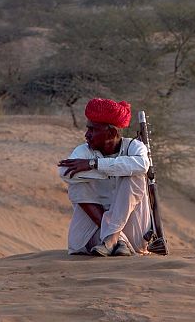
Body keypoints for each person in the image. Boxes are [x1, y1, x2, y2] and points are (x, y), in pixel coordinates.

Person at [57, 98, 152, 257]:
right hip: (92, 238)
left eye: (92, 130)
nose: (87, 135)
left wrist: (95, 165)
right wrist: (117, 169)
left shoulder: (134, 147)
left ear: (112, 133)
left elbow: (143, 165)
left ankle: (113, 238)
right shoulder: (84, 151)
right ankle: (116, 238)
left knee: (134, 176)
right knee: (76, 183)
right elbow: (64, 172)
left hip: (134, 237)